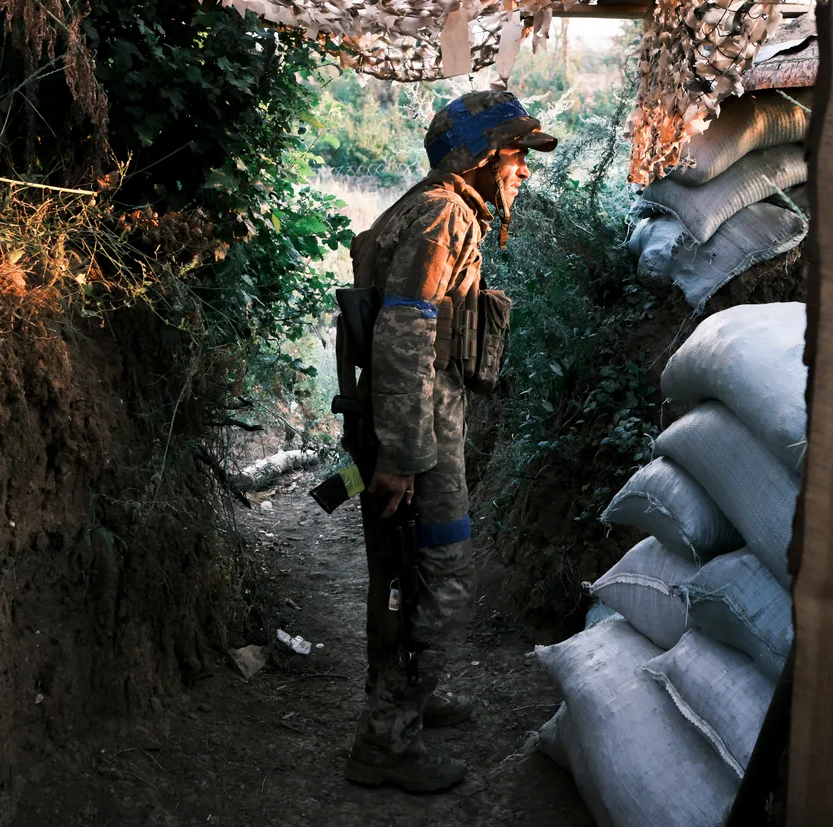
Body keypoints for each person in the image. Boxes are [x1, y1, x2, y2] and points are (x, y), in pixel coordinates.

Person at [335, 90, 556, 793]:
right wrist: (400, 458)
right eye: (518, 155)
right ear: (485, 156)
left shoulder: (434, 207)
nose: (523, 171)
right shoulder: (444, 216)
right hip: (417, 435)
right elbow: (405, 336)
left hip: (418, 426)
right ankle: (386, 740)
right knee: (437, 578)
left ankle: (410, 702)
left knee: (414, 574)